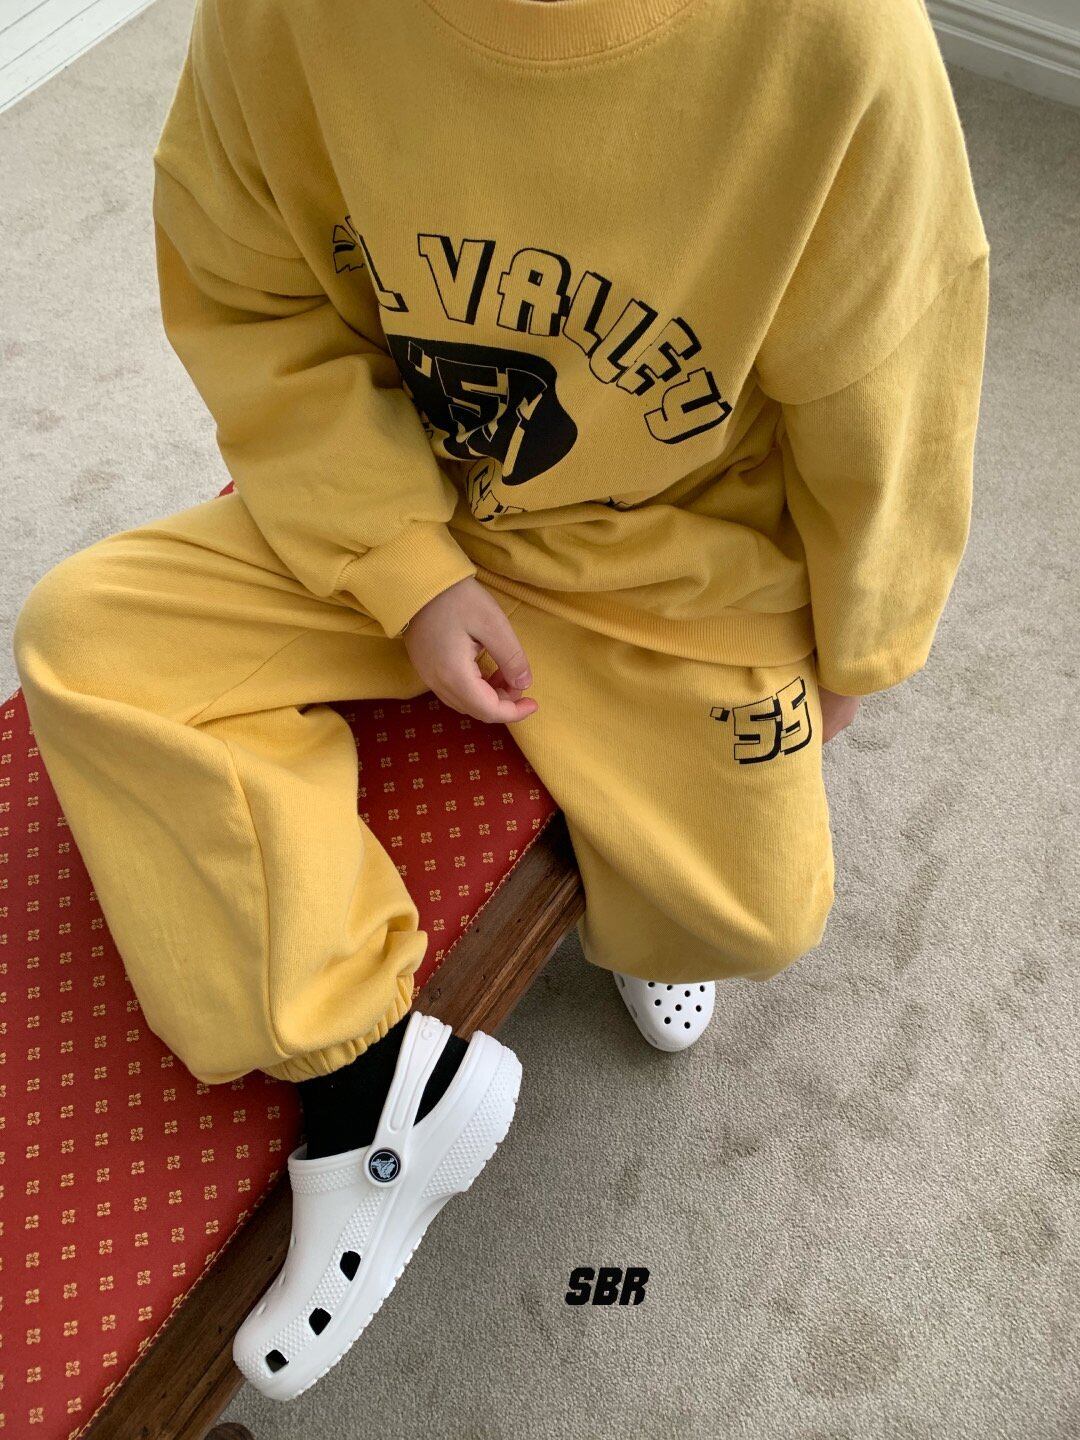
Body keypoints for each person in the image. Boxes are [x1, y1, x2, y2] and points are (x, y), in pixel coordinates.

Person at [11, 0, 990, 1404]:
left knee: (757, 916)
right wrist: (406, 571)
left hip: (674, 551)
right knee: (93, 636)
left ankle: (638, 885)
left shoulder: (837, 43)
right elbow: (250, 293)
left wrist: (861, 643)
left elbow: (896, 376)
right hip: (411, 490)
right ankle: (374, 1094)